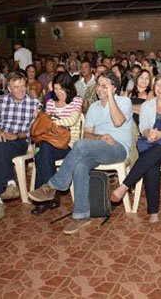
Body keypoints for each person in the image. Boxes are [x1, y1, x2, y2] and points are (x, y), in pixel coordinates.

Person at [27, 70, 132, 234]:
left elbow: (118, 122)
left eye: (105, 86)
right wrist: (99, 137)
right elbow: (87, 134)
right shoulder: (93, 108)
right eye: (98, 85)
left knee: (81, 145)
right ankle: (81, 215)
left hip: (118, 149)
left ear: (114, 88)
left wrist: (110, 96)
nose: (100, 88)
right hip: (97, 147)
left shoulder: (124, 101)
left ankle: (54, 186)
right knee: (80, 166)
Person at [108, 75, 161, 223]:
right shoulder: (147, 105)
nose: (160, 88)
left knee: (157, 152)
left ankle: (125, 186)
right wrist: (148, 133)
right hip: (151, 144)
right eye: (158, 85)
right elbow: (143, 126)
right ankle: (153, 212)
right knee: (152, 162)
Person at [0, 74, 41, 221]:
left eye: (23, 86)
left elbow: (36, 130)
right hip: (1, 137)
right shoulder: (0, 101)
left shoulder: (34, 103)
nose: (21, 89)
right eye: (16, 87)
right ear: (9, 88)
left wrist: (16, 135)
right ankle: (7, 187)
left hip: (20, 141)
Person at [30, 73, 83, 215]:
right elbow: (43, 124)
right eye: (55, 89)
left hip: (69, 144)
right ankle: (50, 194)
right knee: (42, 152)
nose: (58, 92)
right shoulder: (50, 103)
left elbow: (71, 120)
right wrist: (45, 122)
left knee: (43, 153)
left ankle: (46, 197)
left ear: (68, 88)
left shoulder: (76, 101)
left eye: (61, 89)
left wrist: (51, 123)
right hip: (51, 142)